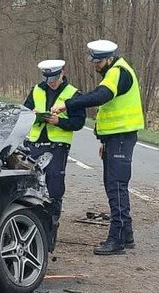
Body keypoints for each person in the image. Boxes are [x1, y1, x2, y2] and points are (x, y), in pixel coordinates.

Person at [50, 40, 144, 255]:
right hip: (115, 138)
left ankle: (117, 239)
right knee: (114, 184)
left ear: (110, 58)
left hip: (121, 137)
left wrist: (68, 104)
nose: (95, 65)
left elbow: (101, 96)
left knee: (116, 186)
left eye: (98, 61)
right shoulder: (115, 71)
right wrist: (104, 141)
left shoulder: (118, 72)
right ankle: (126, 234)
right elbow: (111, 106)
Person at [23, 60, 84, 249]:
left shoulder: (73, 94)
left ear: (62, 73)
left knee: (54, 187)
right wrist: (31, 114)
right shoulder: (36, 90)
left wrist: (59, 121)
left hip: (57, 146)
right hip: (34, 144)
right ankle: (32, 228)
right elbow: (23, 113)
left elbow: (78, 123)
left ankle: (51, 230)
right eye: (48, 78)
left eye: (54, 78)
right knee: (31, 186)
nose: (51, 82)